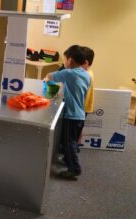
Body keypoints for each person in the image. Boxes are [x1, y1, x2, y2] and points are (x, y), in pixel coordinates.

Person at [44, 45, 90, 180]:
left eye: (65, 59)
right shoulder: (85, 74)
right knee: (72, 142)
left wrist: (46, 82)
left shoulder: (68, 73)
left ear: (69, 60)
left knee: (68, 143)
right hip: (80, 114)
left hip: (71, 115)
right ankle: (69, 160)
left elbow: (49, 76)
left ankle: (74, 169)